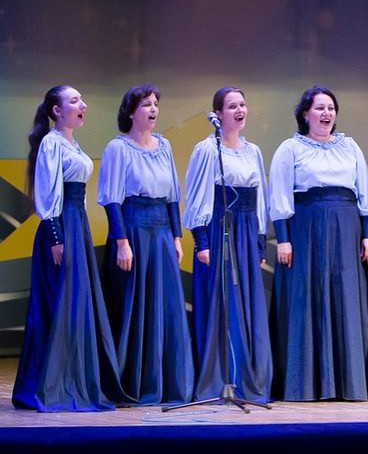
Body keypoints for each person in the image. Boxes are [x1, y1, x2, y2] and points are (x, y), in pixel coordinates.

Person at [12, 86, 128, 411]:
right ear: (57, 111)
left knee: (77, 305)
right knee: (58, 306)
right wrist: (57, 238)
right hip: (60, 229)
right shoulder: (52, 143)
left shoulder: (72, 144)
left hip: (77, 227)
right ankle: (47, 385)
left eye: (82, 99)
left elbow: (79, 194)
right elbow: (47, 195)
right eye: (74, 101)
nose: (83, 105)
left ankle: (76, 379)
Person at [267, 85, 368, 401]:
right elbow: (280, 194)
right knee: (307, 299)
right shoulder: (291, 148)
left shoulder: (349, 146)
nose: (326, 113)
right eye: (319, 108)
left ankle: (348, 383)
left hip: (346, 228)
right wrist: (283, 240)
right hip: (306, 228)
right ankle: (304, 383)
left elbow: (364, 191)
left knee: (345, 299)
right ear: (305, 114)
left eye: (331, 108)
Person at [97, 84, 193, 405]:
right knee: (133, 306)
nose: (153, 110)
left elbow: (173, 196)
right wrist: (121, 242)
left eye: (155, 104)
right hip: (134, 230)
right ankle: (132, 381)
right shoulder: (118, 148)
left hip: (162, 233)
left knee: (165, 306)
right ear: (130, 112)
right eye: (146, 105)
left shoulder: (164, 146)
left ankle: (166, 382)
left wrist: (176, 236)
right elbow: (111, 199)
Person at [183, 86, 272, 403]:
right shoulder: (208, 149)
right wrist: (202, 242)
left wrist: (259, 243)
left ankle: (247, 379)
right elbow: (196, 196)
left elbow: (260, 199)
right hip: (220, 228)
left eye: (242, 105)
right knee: (222, 303)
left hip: (246, 232)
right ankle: (218, 379)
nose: (240, 110)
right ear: (218, 113)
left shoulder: (253, 151)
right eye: (232, 106)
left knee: (246, 303)